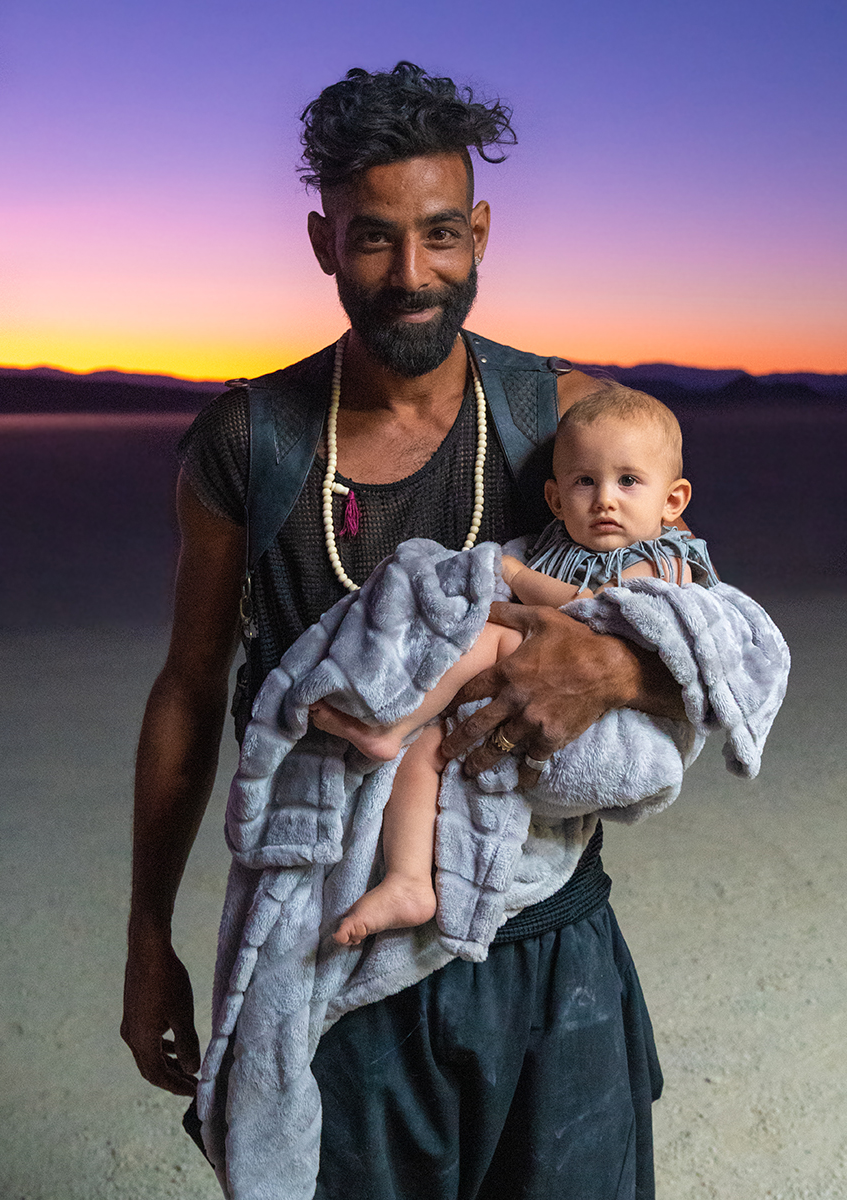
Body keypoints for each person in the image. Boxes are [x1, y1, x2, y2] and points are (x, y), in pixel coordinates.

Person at [120, 62, 788, 1200]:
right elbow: (188, 688)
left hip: (544, 937)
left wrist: (616, 660)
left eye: (441, 234)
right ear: (323, 241)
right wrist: (146, 941)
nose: (413, 274)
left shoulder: (564, 414)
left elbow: (693, 612)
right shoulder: (251, 440)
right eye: (374, 239)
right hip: (334, 949)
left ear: (479, 233)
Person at [310, 382, 717, 948]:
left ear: (672, 502)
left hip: (603, 727)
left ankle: (391, 722)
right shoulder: (560, 545)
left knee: (492, 634)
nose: (605, 499)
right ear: (554, 499)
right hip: (530, 705)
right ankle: (409, 881)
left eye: (628, 481)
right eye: (584, 481)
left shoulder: (661, 560)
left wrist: (517, 579)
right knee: (428, 751)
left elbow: (593, 608)